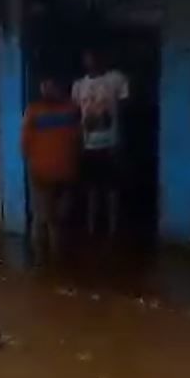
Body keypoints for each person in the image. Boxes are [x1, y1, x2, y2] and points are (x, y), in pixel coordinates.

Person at [72, 48, 130, 238]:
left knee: (112, 189)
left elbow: (123, 111)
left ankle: (113, 228)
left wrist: (120, 138)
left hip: (111, 143)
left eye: (95, 58)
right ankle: (91, 228)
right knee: (92, 190)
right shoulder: (79, 85)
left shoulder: (116, 79)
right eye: (88, 59)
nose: (92, 62)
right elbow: (77, 115)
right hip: (89, 144)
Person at [22, 77, 81, 260]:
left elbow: (25, 145)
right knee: (53, 219)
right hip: (57, 172)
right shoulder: (71, 110)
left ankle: (44, 264)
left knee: (45, 218)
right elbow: (78, 140)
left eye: (49, 87)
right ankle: (53, 262)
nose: (46, 91)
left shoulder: (35, 111)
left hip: (49, 172)